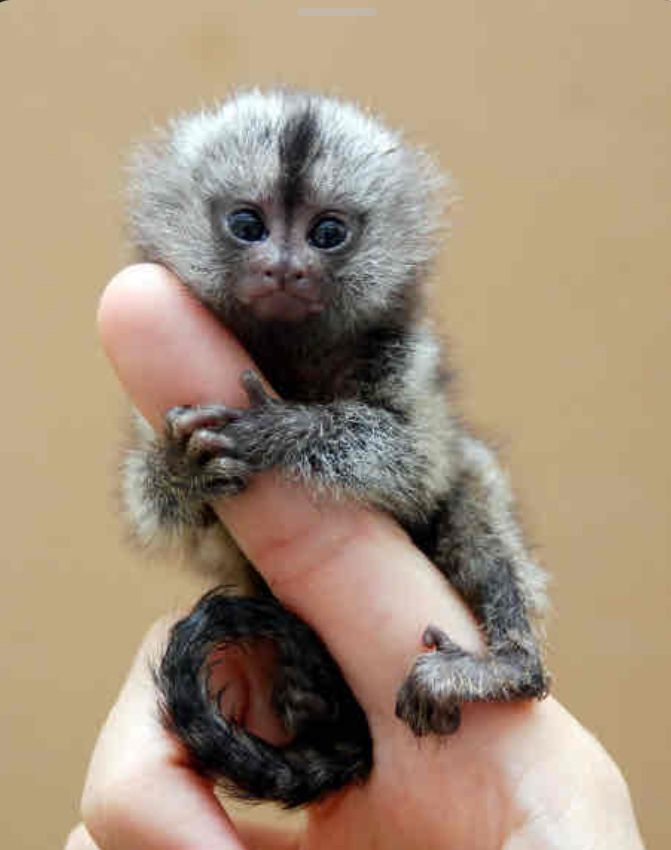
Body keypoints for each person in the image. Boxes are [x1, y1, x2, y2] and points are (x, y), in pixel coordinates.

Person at [65, 264, 645, 850]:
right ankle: (311, 704)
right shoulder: (196, 369)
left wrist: (290, 432)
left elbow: (417, 468)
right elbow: (160, 520)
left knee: (471, 471)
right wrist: (177, 474)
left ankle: (512, 657)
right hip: (320, 662)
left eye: (326, 235)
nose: (284, 262)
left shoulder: (387, 340)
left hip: (435, 563)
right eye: (246, 226)